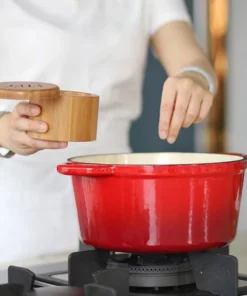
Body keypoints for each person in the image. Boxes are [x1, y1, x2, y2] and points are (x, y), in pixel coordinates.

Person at [0, 0, 217, 263]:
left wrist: (194, 78)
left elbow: (192, 59)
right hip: (15, 219)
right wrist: (4, 130)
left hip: (115, 209)